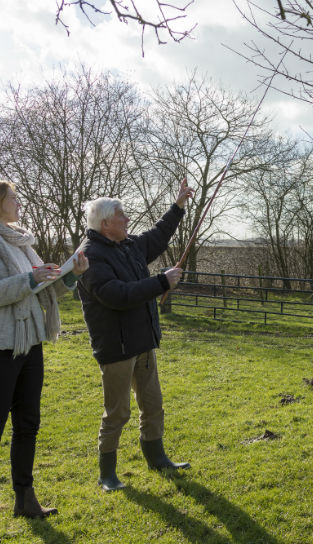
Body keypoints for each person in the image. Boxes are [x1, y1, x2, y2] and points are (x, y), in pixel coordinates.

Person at [0, 177, 89, 536]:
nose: (19, 203)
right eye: (13, 197)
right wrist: (29, 280)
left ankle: (25, 499)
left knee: (28, 424)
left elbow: (44, 288)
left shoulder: (22, 243)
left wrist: (71, 274)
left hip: (30, 341)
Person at [77, 179, 194, 492]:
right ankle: (107, 475)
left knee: (153, 405)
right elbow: (116, 295)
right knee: (117, 413)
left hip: (142, 342)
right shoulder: (91, 256)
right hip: (116, 347)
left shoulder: (127, 246)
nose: (128, 219)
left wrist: (178, 204)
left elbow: (157, 237)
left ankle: (157, 459)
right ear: (105, 224)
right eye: (122, 216)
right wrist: (161, 283)